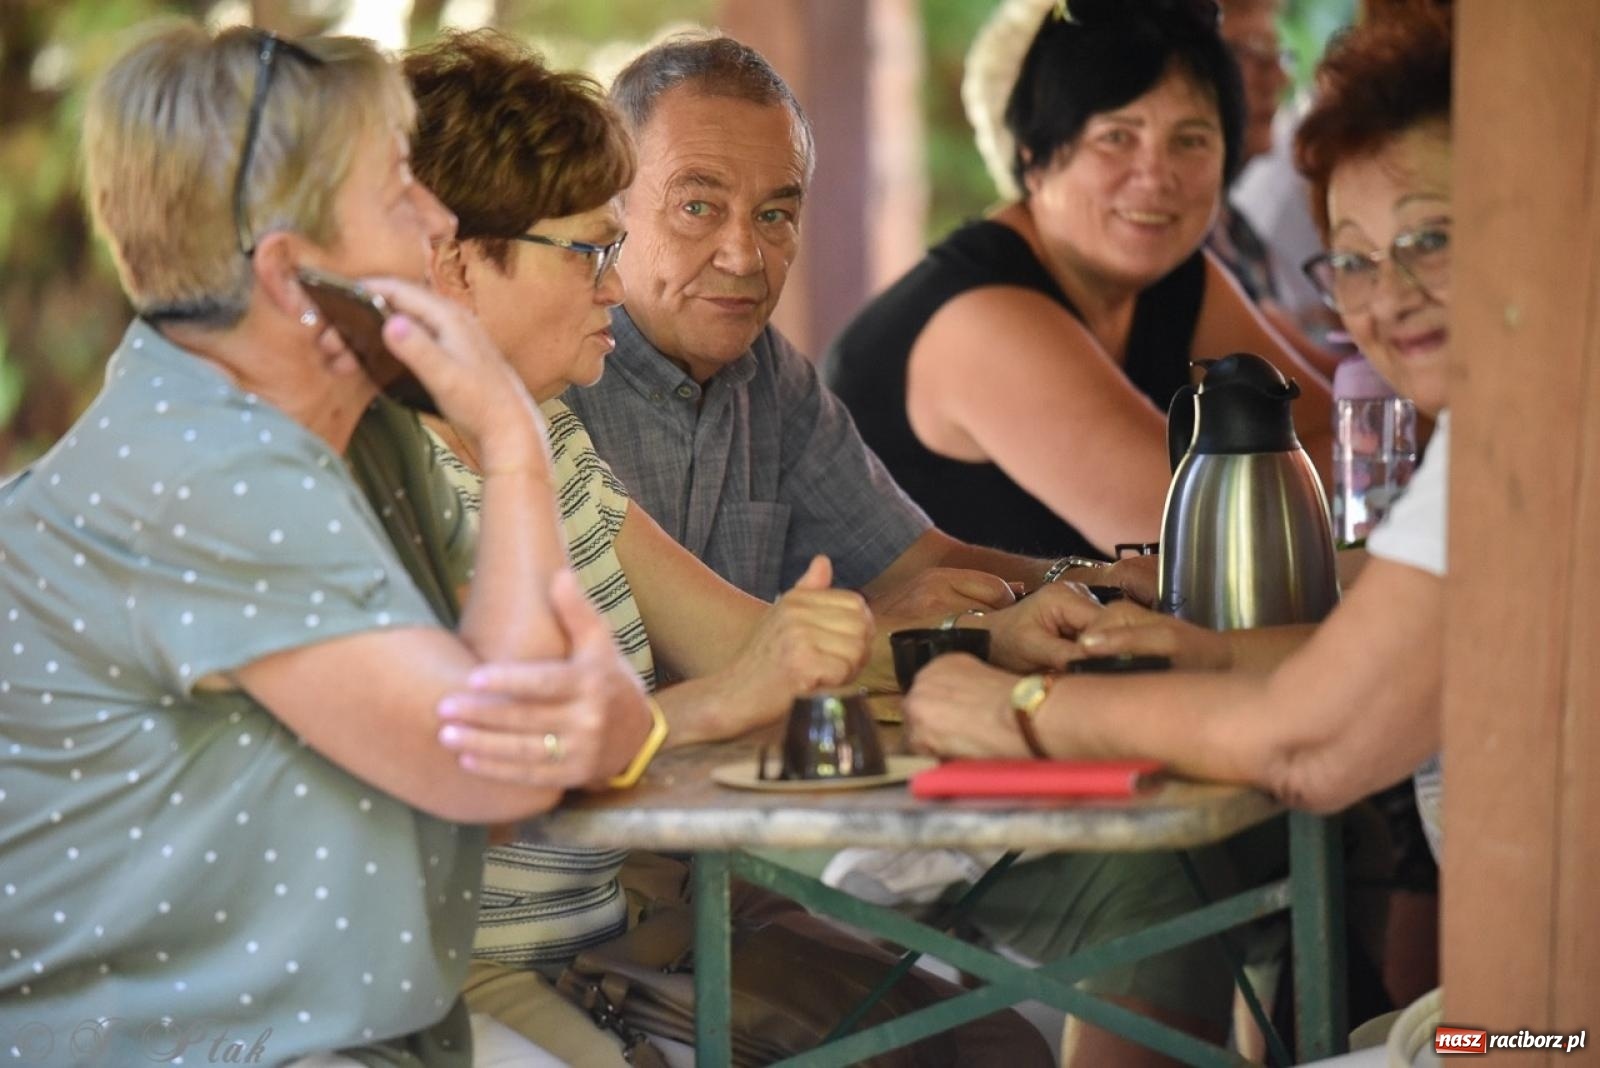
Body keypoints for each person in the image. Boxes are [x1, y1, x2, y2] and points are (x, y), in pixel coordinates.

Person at [383, 31, 1054, 1066]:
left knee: (991, 1050)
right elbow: (468, 782)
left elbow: (755, 648)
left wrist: (1002, 635)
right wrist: (728, 697)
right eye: (588, 252)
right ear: (458, 263)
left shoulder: (543, 437)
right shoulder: (375, 471)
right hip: (469, 964)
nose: (612, 287)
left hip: (617, 933)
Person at [0, 23, 657, 1067]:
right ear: (292, 274)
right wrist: (509, 436)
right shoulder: (206, 471)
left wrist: (593, 724)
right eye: (400, 194)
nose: (438, 220)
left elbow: (551, 744)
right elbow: (500, 773)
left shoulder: (364, 443)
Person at [905, 0, 1454, 964]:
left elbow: (1319, 728)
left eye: (1432, 239)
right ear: (1035, 155)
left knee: (1300, 881)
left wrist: (1023, 711)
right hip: (943, 820)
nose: (1389, 293)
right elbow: (1317, 571)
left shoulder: (1507, 454)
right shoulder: (984, 309)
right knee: (1197, 885)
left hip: (1542, 1026)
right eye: (1356, 260)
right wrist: (1207, 653)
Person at [563, 32, 1152, 619]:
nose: (743, 257)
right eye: (697, 208)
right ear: (610, 209)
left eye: (774, 215)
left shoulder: (765, 371)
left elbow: (915, 562)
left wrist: (1103, 581)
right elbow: (695, 657)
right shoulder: (551, 376)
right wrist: (881, 628)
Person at [825, 0, 1334, 565]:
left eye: (1190, 140)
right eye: (1116, 137)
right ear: (1034, 158)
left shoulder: (1172, 276)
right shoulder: (982, 315)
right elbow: (1193, 534)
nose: (1156, 176)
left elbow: (1344, 439)